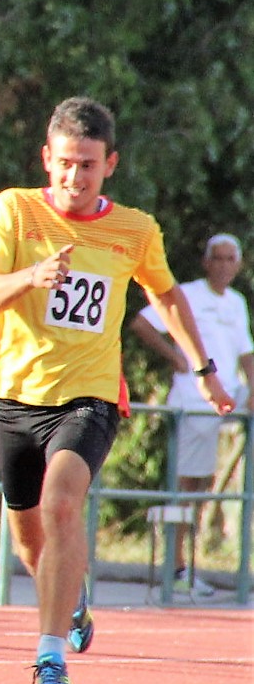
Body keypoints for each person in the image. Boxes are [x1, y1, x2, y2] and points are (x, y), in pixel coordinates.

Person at [0, 97, 232, 684]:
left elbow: (166, 297)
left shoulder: (134, 230)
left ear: (109, 164)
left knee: (62, 503)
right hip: (16, 396)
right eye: (65, 163)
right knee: (30, 541)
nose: (75, 176)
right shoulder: (14, 210)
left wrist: (204, 370)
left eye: (87, 165)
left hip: (88, 397)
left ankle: (49, 656)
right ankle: (73, 598)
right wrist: (32, 277)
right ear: (47, 158)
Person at [128, 234, 254, 594]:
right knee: (187, 485)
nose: (224, 266)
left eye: (230, 259)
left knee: (202, 487)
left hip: (227, 398)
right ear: (206, 262)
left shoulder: (236, 302)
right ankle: (177, 568)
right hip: (194, 400)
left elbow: (245, 352)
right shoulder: (188, 294)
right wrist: (178, 358)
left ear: (239, 265)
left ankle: (189, 564)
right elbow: (142, 323)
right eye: (218, 258)